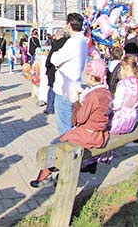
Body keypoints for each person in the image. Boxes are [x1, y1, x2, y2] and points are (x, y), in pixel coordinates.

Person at [30, 60, 111, 188]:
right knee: (62, 143)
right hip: (98, 134)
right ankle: (52, 174)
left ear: (90, 75)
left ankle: (45, 177)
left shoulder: (93, 95)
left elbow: (79, 119)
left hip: (88, 134)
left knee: (55, 144)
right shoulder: (105, 92)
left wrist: (77, 101)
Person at [50, 13, 88, 136]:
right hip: (74, 84)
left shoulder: (73, 42)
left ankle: (68, 151)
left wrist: (59, 60)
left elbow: (54, 58)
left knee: (64, 126)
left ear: (69, 25)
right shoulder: (82, 40)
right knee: (70, 122)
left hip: (64, 88)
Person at [45, 29, 68, 115]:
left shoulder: (57, 44)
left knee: (52, 87)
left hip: (53, 68)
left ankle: (50, 108)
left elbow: (50, 57)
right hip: (64, 69)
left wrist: (47, 65)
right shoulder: (68, 43)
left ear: (58, 35)